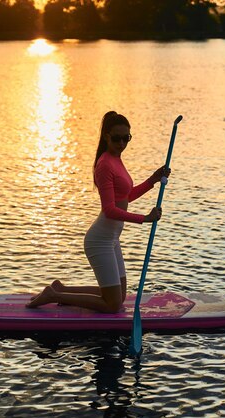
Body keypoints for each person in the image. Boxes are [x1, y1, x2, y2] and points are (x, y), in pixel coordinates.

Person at [27, 111, 170, 313]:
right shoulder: (104, 164)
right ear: (106, 136)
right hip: (99, 241)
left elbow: (125, 196)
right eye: (116, 138)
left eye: (126, 138)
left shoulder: (116, 159)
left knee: (119, 297)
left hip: (112, 239)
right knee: (112, 305)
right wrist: (144, 219)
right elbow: (110, 210)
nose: (121, 143)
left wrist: (152, 180)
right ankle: (54, 295)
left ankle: (61, 289)